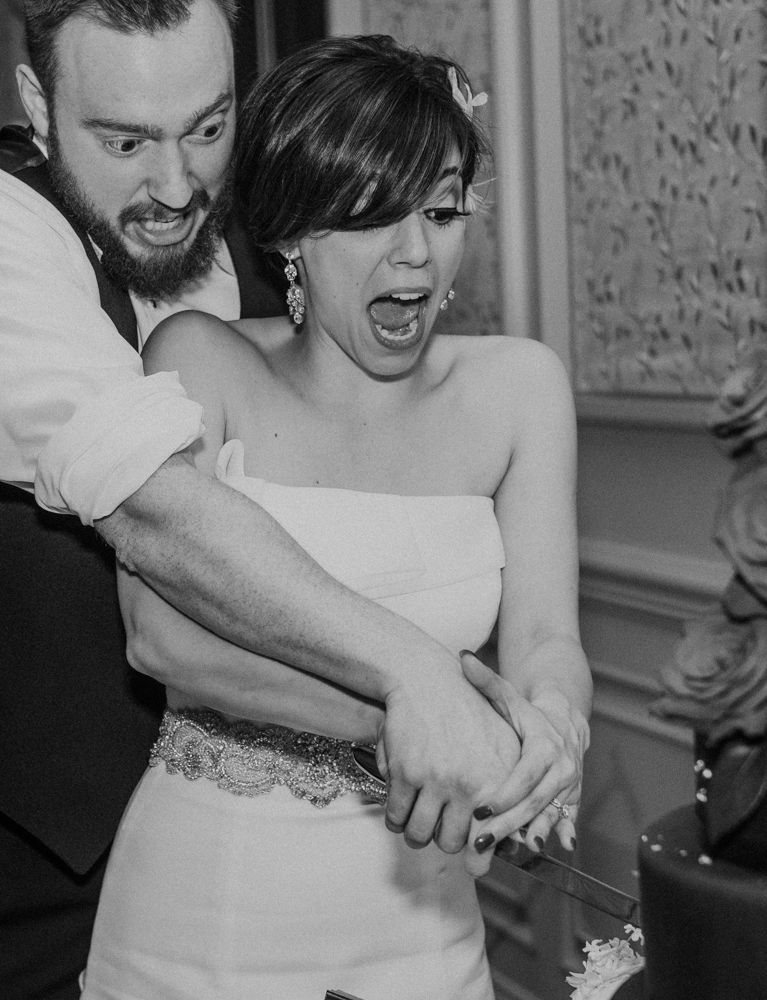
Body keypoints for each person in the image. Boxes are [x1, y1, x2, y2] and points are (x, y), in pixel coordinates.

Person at [0, 3, 577, 998]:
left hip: (214, 826)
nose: (177, 182)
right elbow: (152, 511)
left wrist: (527, 736)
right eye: (125, 140)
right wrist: (424, 689)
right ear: (39, 103)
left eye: (206, 126)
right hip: (3, 826)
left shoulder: (267, 244)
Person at [79, 36, 592, 999]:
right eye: (367, 219)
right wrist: (419, 719)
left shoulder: (522, 388)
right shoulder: (201, 359)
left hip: (426, 921)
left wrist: (552, 731)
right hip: (213, 905)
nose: (415, 254)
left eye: (441, 212)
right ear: (290, 236)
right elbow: (160, 638)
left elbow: (546, 635)